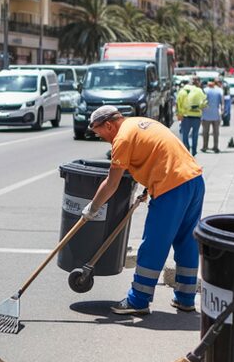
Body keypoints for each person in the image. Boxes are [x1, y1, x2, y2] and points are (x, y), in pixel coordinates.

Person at [82, 106, 204, 315]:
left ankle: (138, 300)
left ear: (109, 125)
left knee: (154, 243)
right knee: (186, 241)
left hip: (171, 187)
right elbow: (159, 153)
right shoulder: (139, 123)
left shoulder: (122, 138)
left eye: (99, 132)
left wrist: (92, 208)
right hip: (193, 180)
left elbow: (111, 183)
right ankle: (185, 298)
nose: (101, 138)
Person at [176, 78, 205, 156]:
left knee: (185, 134)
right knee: (195, 134)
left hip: (186, 117)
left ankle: (187, 149)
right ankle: (194, 151)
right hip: (197, 116)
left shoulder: (182, 92)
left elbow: (178, 104)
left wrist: (179, 115)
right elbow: (204, 103)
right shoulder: (199, 91)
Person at [201, 79, 223, 152]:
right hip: (216, 114)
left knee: (205, 132)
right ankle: (215, 147)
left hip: (206, 114)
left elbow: (202, 102)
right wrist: (222, 111)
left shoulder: (204, 90)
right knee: (216, 132)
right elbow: (222, 102)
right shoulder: (219, 90)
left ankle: (205, 146)